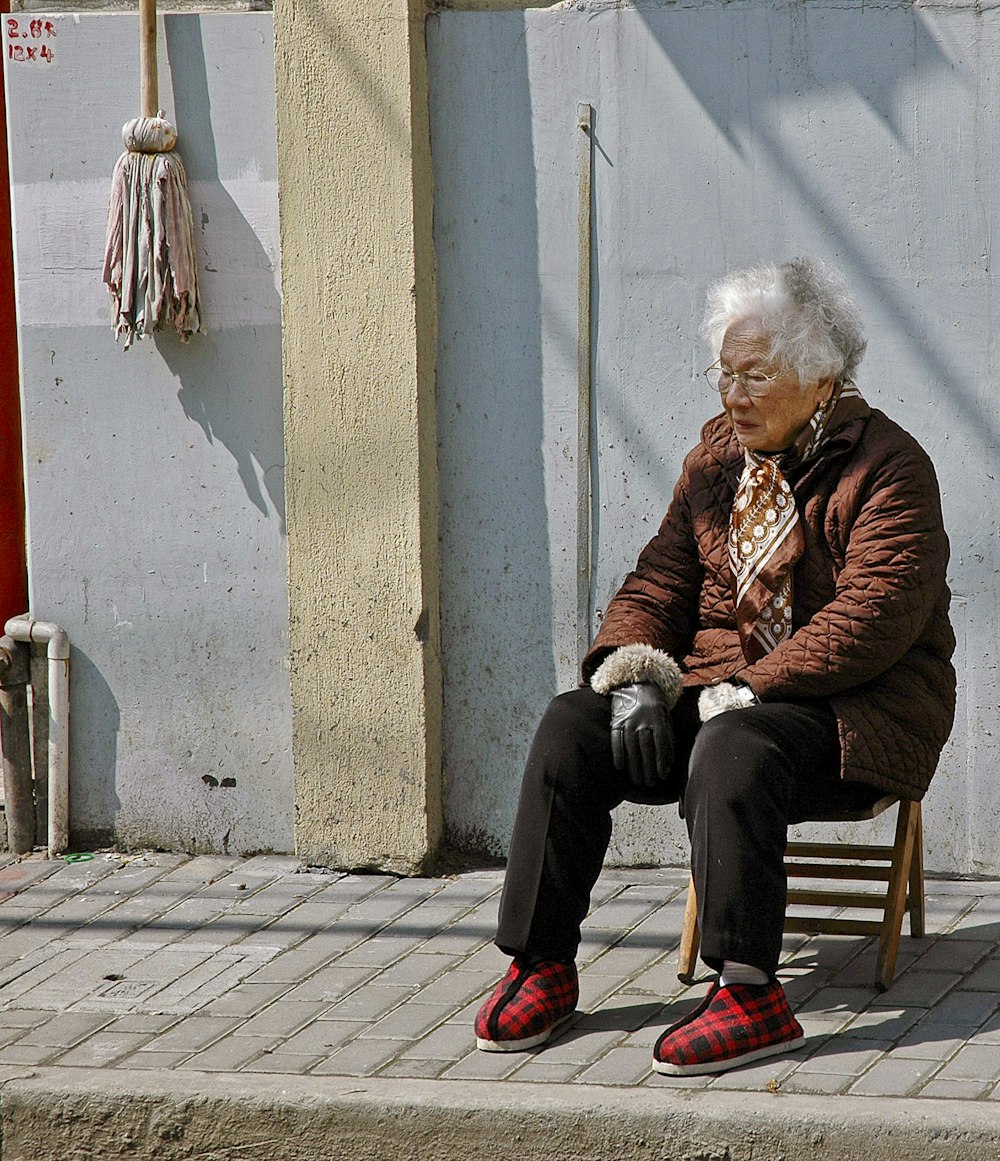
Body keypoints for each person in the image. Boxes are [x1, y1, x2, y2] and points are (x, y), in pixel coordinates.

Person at [473, 257, 956, 1075]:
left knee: (735, 745)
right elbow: (660, 579)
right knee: (571, 723)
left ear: (820, 378)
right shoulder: (716, 462)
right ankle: (541, 962)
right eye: (723, 373)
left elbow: (872, 617)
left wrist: (751, 688)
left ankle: (749, 993)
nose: (731, 395)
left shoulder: (889, 468)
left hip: (856, 713)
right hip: (723, 695)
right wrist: (630, 674)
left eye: (754, 375)